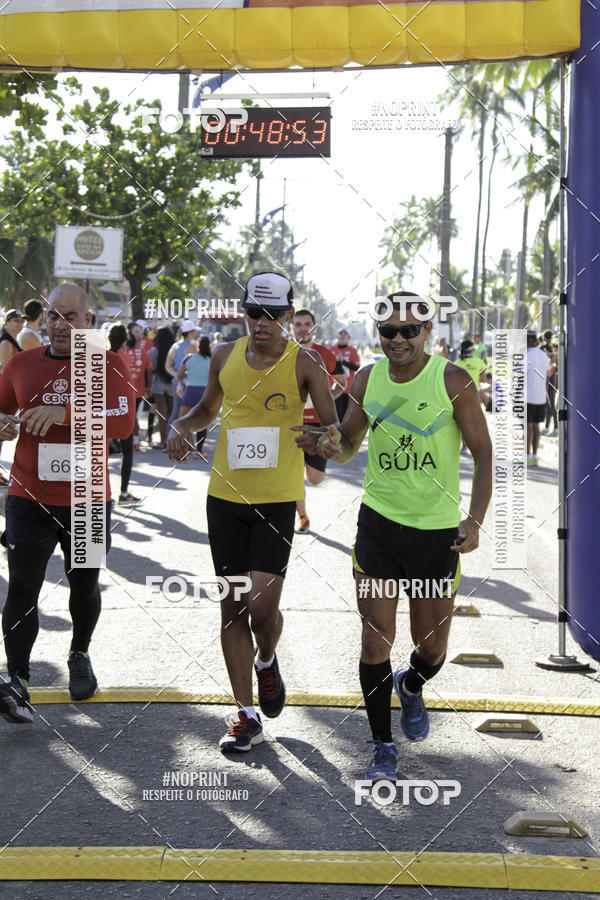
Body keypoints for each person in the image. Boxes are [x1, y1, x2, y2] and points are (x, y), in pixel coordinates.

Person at [303, 292, 492, 782]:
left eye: (410, 330)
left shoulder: (452, 380)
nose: (399, 339)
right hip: (379, 527)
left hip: (435, 536)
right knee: (374, 641)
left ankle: (411, 686)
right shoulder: (367, 378)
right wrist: (327, 444)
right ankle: (382, 748)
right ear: (379, 334)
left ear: (428, 332)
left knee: (430, 650)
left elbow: (484, 453)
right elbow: (346, 447)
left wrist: (474, 520)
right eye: (389, 332)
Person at [168, 272, 339, 753]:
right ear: (244, 312)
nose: (261, 324)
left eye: (271, 315)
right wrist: (183, 425)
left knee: (262, 610)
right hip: (224, 498)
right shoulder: (223, 355)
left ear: (287, 316)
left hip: (276, 500)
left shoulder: (304, 362)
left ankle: (267, 660)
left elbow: (335, 431)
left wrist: (320, 439)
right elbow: (205, 410)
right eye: (253, 314)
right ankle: (245, 716)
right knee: (232, 606)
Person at [0, 282, 135, 724]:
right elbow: (1, 412)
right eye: (54, 316)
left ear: (89, 322)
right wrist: (4, 425)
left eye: (71, 317)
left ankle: (79, 652)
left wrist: (66, 413)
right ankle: (17, 681)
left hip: (89, 498)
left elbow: (123, 422)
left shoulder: (107, 363)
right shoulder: (21, 364)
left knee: (84, 585)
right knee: (22, 585)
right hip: (28, 495)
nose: (60, 325)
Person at [293, 308, 346, 533]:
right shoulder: (284, 351)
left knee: (314, 478)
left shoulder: (325, 354)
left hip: (317, 425)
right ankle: (302, 516)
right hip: (291, 422)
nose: (303, 328)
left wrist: (325, 399)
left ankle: (304, 468)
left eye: (307, 324)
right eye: (298, 324)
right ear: (292, 327)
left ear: (314, 328)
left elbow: (341, 382)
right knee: (292, 476)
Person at [108, 324, 146, 504]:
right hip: (122, 410)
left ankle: (99, 493)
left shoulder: (104, 356)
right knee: (127, 454)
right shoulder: (124, 356)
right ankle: (123, 493)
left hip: (103, 410)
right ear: (124, 339)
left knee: (99, 455)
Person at [177, 335, 212, 457]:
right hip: (205, 392)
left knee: (184, 420)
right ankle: (199, 450)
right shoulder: (211, 360)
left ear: (197, 345)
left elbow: (179, 374)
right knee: (203, 423)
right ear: (209, 346)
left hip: (190, 391)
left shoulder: (188, 358)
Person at [0, 310, 23, 486]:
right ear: (6, 323)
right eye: (15, 320)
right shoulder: (6, 343)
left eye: (21, 320)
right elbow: (6, 372)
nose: (19, 324)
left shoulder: (13, 341)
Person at [166, 321, 199, 435]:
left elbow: (168, 365)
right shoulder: (193, 347)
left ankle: (168, 441)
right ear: (190, 333)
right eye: (194, 331)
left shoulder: (175, 346)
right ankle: (183, 443)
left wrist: (176, 376)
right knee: (187, 414)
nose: (196, 333)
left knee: (176, 412)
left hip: (177, 382)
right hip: (189, 383)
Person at [124, 322, 152, 451]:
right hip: (139, 390)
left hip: (124, 390)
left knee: (130, 415)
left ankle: (130, 439)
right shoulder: (144, 353)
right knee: (133, 414)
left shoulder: (122, 353)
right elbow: (149, 370)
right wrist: (149, 387)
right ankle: (134, 440)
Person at [526, 330, 551, 466]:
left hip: (528, 396)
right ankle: (534, 456)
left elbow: (521, 377)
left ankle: (526, 454)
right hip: (541, 395)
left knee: (527, 426)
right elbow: (548, 375)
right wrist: (544, 389)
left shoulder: (526, 355)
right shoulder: (543, 355)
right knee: (536, 426)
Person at [148, 326, 175, 449]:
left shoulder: (154, 351)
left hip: (158, 383)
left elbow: (150, 369)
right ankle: (171, 439)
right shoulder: (174, 349)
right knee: (172, 413)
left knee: (161, 413)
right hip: (172, 383)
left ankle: (163, 441)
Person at [329, 327, 361, 422]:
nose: (342, 336)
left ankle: (345, 435)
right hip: (334, 387)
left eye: (344, 334)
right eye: (340, 334)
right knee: (336, 413)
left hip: (348, 388)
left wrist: (344, 362)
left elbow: (356, 367)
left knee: (346, 415)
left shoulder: (352, 350)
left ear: (348, 337)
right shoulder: (331, 349)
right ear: (337, 336)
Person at [455, 339, 489, 409]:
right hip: (474, 395)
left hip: (459, 396)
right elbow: (484, 380)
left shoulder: (455, 363)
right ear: (472, 350)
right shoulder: (480, 362)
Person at [540, 330, 558, 437]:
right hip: (548, 382)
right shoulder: (551, 360)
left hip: (552, 383)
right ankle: (547, 427)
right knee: (548, 405)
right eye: (554, 346)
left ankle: (555, 428)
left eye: (556, 346)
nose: (555, 348)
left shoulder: (554, 362)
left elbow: (551, 371)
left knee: (552, 406)